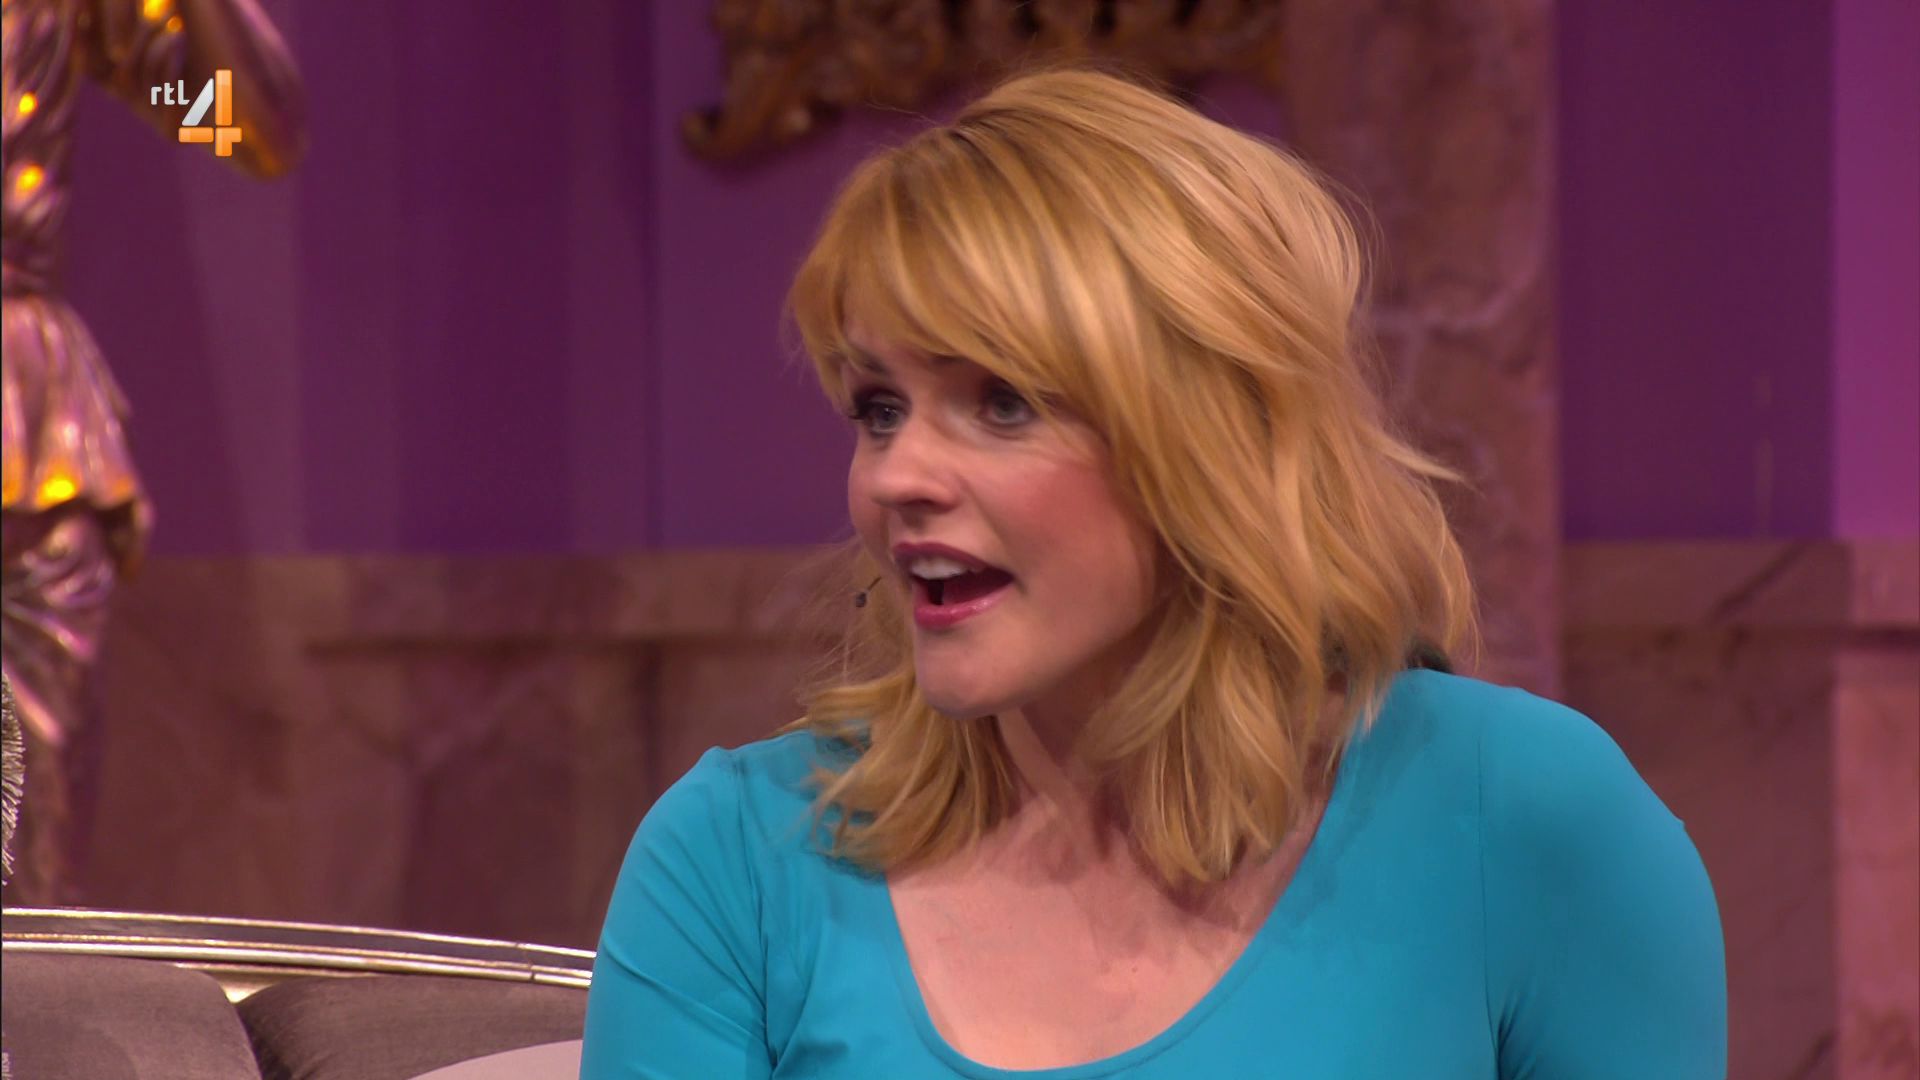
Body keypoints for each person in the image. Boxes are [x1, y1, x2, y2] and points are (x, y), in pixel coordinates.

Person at [582, 68, 1726, 1078]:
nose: (898, 477)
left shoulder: (1526, 820)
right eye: (880, 407)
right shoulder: (737, 859)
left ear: (1212, 445)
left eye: (1001, 402)